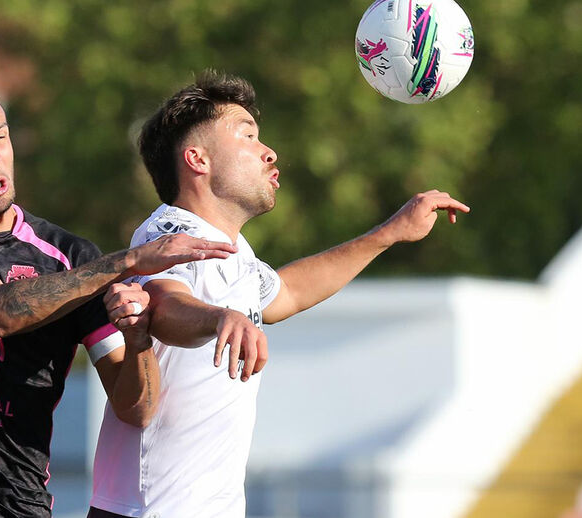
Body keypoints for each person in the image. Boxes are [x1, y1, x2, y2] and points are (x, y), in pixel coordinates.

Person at [89, 71, 471, 518]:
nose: (268, 152)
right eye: (247, 135)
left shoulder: (235, 251)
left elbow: (288, 291)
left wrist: (390, 233)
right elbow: (164, 306)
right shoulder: (168, 232)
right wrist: (220, 318)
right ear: (197, 159)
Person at [0, 84, 235, 518]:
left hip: (24, 504)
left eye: (0, 137)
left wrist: (138, 339)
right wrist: (129, 260)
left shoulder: (72, 257)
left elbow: (136, 409)